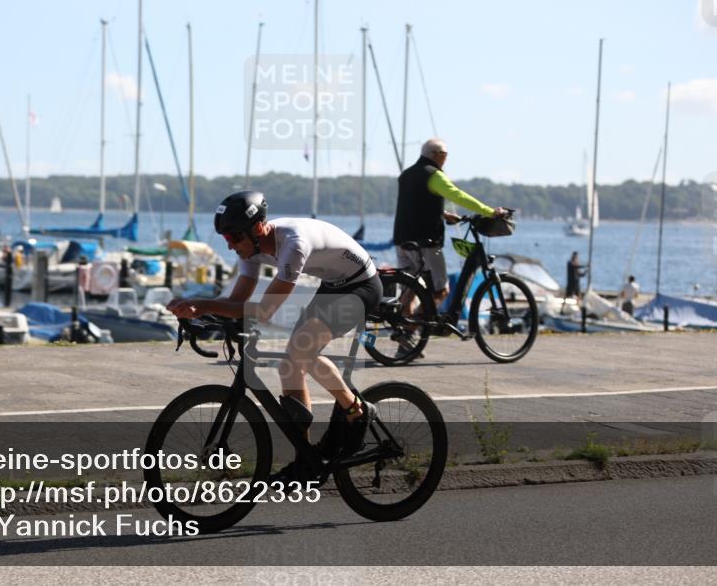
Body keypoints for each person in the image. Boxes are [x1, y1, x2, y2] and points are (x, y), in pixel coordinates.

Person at [167, 191, 383, 482]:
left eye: (234, 238)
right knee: (288, 367)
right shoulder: (250, 249)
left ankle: (357, 410)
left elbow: (264, 311)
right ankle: (305, 460)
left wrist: (204, 305)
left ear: (258, 228)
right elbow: (237, 301)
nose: (230, 246)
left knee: (302, 350)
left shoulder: (293, 244)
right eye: (226, 239)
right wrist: (197, 312)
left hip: (362, 286)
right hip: (333, 284)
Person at [392, 138, 506, 356]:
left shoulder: (406, 175)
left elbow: (415, 204)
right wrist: (490, 212)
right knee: (440, 290)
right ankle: (409, 330)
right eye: (445, 156)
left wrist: (442, 214)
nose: (446, 160)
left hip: (402, 240)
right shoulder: (434, 175)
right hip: (426, 243)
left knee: (410, 288)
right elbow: (457, 195)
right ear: (438, 155)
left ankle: (403, 344)